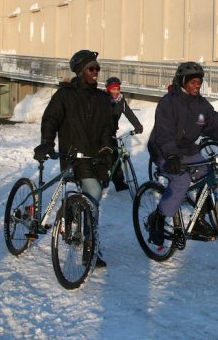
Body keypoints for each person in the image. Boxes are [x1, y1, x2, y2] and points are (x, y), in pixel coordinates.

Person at [146, 61, 218, 246]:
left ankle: (198, 220)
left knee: (209, 174)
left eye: (199, 81)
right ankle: (157, 219)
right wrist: (171, 155)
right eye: (193, 81)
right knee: (181, 181)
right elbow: (163, 132)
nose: (197, 85)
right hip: (164, 150)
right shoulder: (168, 102)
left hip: (188, 149)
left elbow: (216, 125)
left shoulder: (201, 104)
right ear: (182, 82)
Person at [34, 49, 114, 267]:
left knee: (90, 199)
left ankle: (71, 213)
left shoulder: (102, 98)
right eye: (91, 68)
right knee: (93, 194)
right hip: (74, 156)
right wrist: (47, 143)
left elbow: (108, 127)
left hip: (96, 157)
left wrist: (107, 146)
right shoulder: (65, 95)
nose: (96, 72)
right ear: (80, 71)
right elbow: (50, 120)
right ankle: (90, 249)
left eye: (97, 68)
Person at [104, 76, 144, 192]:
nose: (116, 92)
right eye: (113, 89)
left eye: (118, 89)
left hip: (111, 133)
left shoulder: (121, 101)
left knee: (116, 156)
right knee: (103, 157)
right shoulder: (102, 100)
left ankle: (119, 182)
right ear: (108, 90)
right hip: (100, 133)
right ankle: (100, 179)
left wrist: (137, 125)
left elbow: (129, 113)